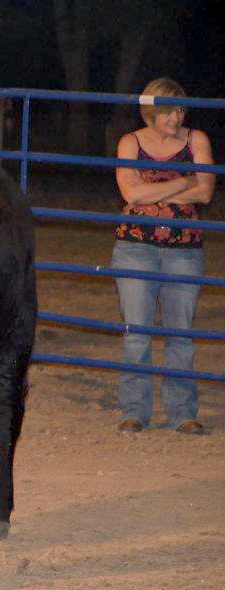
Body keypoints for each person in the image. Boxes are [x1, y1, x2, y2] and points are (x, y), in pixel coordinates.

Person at [113, 77, 214, 435]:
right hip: (135, 247)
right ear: (150, 112)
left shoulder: (197, 140)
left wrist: (152, 192)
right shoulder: (130, 142)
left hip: (184, 250)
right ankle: (134, 411)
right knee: (136, 332)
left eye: (180, 109)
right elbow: (130, 193)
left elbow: (205, 193)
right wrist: (184, 181)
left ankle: (182, 413)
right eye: (167, 111)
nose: (175, 118)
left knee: (180, 334)